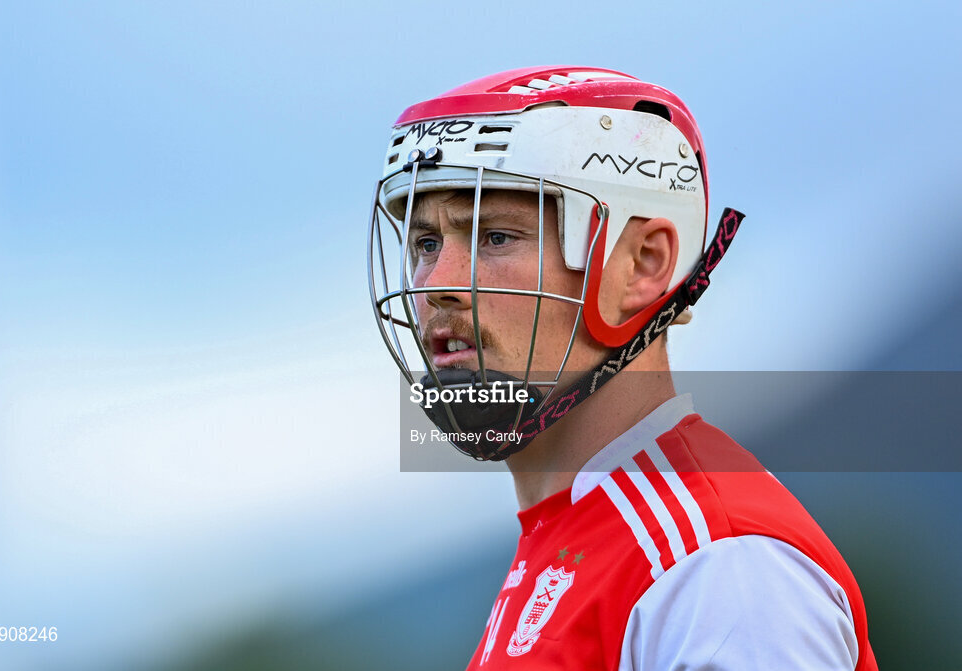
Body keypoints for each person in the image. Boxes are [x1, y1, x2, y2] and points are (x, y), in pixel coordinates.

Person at [367, 66, 878, 670]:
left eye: (495, 236)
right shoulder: (571, 533)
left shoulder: (718, 567)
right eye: (426, 244)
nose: (436, 284)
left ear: (642, 265)